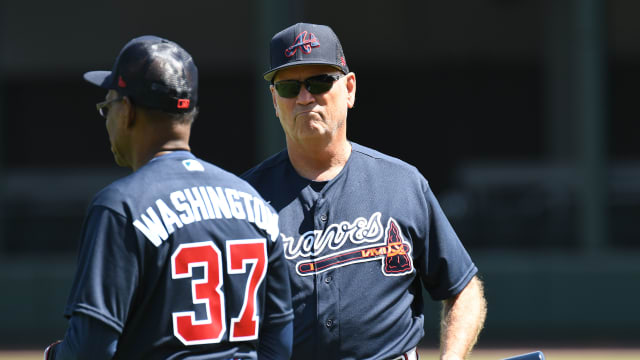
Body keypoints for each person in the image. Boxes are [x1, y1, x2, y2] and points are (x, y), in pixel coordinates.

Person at [241, 23, 487, 360]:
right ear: (274, 100)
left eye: (320, 81)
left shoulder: (402, 184)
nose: (304, 97)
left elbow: (463, 289)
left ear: (350, 89)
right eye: (288, 86)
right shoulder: (245, 200)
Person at [44, 35, 293, 360]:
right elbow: (280, 342)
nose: (107, 119)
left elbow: (91, 349)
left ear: (128, 112)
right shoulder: (255, 205)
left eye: (108, 106)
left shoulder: (121, 206)